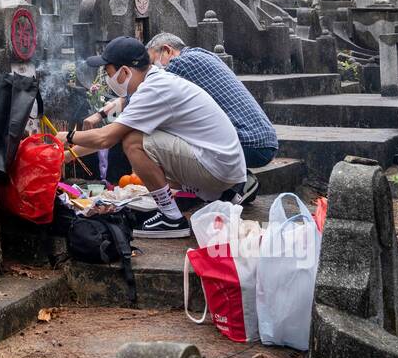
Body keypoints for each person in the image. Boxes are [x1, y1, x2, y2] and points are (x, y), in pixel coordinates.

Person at [60, 36, 247, 239]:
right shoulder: (154, 81)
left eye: (108, 72)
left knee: (133, 142)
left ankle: (171, 218)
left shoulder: (153, 90)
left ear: (124, 72)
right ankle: (216, 195)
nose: (106, 78)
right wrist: (69, 155)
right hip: (225, 168)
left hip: (217, 169)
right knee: (139, 150)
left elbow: (107, 138)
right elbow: (113, 134)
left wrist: (68, 137)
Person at [86, 32, 279, 175]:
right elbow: (135, 98)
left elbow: (140, 99)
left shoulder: (179, 66)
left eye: (151, 61)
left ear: (167, 51)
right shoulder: (201, 55)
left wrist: (98, 118)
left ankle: (232, 184)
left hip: (248, 143)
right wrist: (103, 113)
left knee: (146, 134)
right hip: (262, 140)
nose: (148, 68)